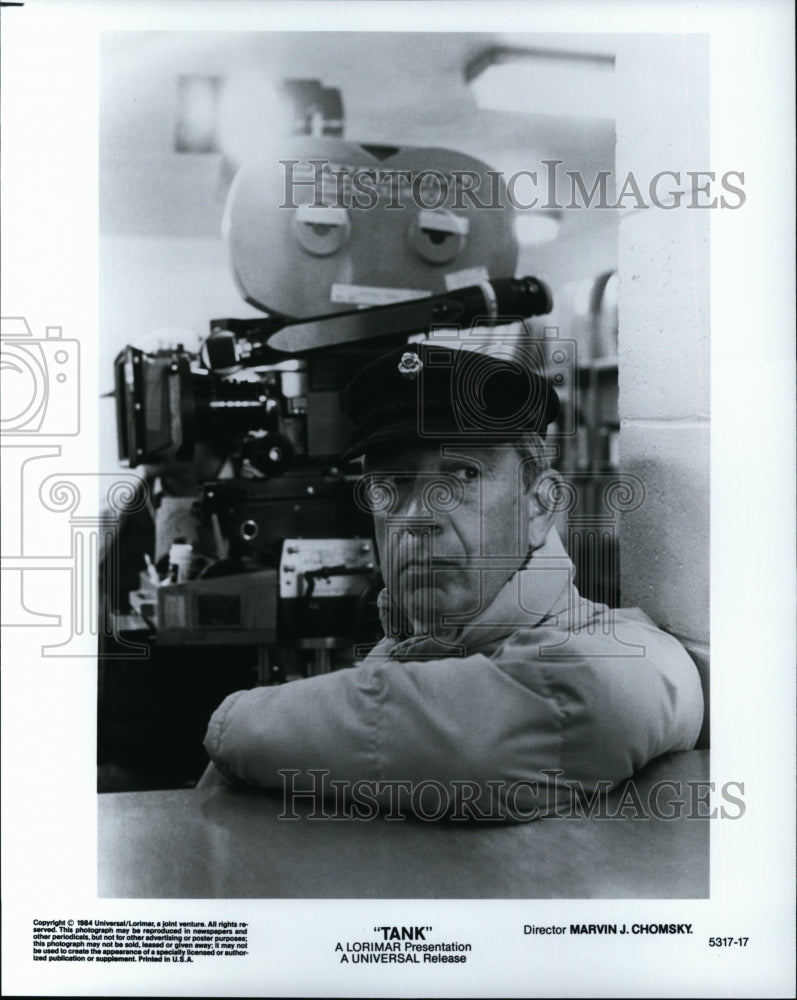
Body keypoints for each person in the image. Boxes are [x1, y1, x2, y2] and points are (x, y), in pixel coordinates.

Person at [201, 342, 704, 820]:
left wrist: (231, 726)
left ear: (540, 505)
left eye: (462, 475)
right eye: (391, 484)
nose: (418, 517)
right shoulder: (398, 654)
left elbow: (526, 723)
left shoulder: (631, 654)